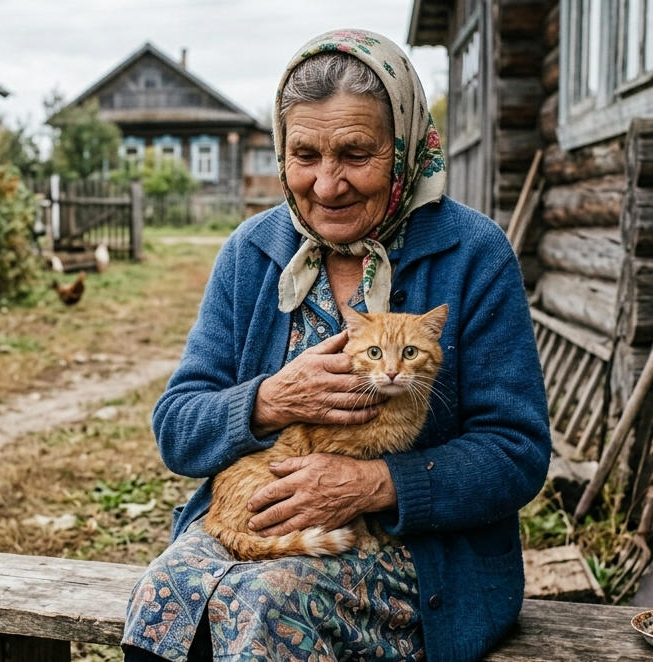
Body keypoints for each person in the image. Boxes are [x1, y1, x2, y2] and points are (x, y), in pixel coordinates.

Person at [122, 29, 550, 662]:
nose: (326, 185)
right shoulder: (252, 253)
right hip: (255, 523)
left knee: (268, 599)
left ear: (403, 145)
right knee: (165, 593)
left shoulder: (472, 254)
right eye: (305, 155)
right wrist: (269, 399)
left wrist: (374, 483)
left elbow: (516, 451)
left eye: (355, 154)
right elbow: (178, 430)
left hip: (416, 554)